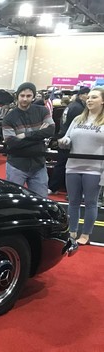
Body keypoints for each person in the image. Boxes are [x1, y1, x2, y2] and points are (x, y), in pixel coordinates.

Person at [57, 87, 104, 245]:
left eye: (94, 97)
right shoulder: (78, 119)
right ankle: (72, 230)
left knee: (91, 203)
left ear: (102, 101)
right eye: (89, 97)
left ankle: (85, 234)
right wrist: (64, 142)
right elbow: (68, 138)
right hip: (73, 166)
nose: (90, 100)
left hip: (94, 168)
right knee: (73, 202)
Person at [2, 82, 55, 198]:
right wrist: (39, 135)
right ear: (17, 96)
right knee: (13, 200)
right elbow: (11, 143)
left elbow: (50, 131)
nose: (25, 99)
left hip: (38, 165)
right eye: (22, 96)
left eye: (28, 96)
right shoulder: (9, 118)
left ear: (33, 97)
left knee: (42, 201)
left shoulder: (42, 111)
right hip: (17, 165)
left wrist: (25, 135)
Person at [50, 86, 90, 193]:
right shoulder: (79, 109)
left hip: (63, 135)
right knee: (63, 164)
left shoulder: (72, 105)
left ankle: (54, 186)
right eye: (88, 95)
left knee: (61, 164)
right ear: (82, 95)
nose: (89, 98)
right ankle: (55, 187)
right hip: (68, 138)